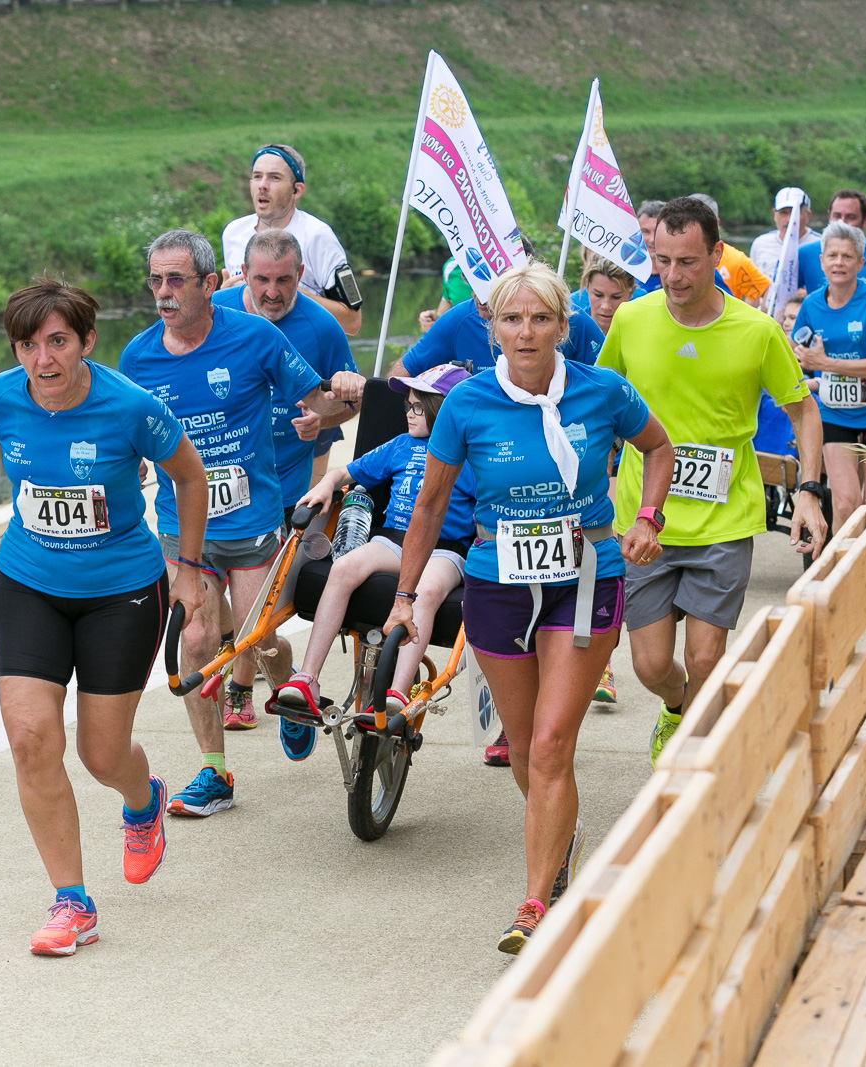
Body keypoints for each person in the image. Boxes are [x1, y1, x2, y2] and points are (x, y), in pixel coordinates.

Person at [381, 261, 673, 955]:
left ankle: (536, 901)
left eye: (541, 318)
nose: (526, 332)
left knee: (549, 744)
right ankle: (560, 834)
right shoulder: (467, 403)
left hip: (586, 578)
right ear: (493, 330)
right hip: (498, 582)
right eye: (512, 319)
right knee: (522, 748)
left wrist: (648, 517)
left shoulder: (603, 390)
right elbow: (429, 506)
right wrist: (404, 597)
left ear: (563, 326)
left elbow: (659, 447)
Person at [0, 280, 207, 956]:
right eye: (28, 345)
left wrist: (189, 568)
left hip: (121, 590)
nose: (42, 360)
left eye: (57, 342)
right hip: (29, 583)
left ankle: (142, 799)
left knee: (101, 754)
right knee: (30, 740)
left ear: (86, 342)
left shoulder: (130, 406)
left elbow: (190, 477)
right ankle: (72, 901)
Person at [120, 229, 363, 815]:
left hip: (252, 520)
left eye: (176, 280)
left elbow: (319, 401)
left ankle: (287, 686)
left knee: (261, 637)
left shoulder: (256, 337)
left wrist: (351, 395)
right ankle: (214, 771)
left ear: (209, 284)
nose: (163, 292)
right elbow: (125, 433)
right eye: (155, 280)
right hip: (183, 527)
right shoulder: (137, 357)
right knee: (197, 637)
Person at [597, 197, 827, 765]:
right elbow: (600, 404)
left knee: (704, 658)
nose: (673, 275)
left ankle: (693, 765)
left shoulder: (757, 331)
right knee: (651, 665)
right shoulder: (631, 319)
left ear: (717, 254)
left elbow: (803, 411)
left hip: (724, 520)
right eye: (662, 261)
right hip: (644, 521)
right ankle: (678, 708)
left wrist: (808, 492)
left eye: (687, 262)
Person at [274, 364, 479, 759]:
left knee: (428, 590)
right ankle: (307, 679)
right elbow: (344, 473)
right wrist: (325, 484)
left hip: (445, 548)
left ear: (444, 413)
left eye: (417, 407)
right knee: (343, 569)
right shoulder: (401, 445)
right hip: (394, 540)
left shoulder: (469, 458)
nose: (408, 413)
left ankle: (398, 694)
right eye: (407, 405)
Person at [211, 229, 358, 522]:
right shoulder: (213, 311)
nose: (272, 292)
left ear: (300, 274)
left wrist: (322, 419)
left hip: (286, 488)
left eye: (283, 280)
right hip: (217, 484)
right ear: (244, 273)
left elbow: (355, 402)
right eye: (261, 279)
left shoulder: (323, 327)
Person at [791, 221, 866, 532]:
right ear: (822, 261)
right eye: (832, 255)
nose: (838, 263)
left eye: (847, 256)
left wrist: (826, 363)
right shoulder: (811, 305)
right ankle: (844, 561)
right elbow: (795, 351)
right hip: (836, 414)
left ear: (860, 263)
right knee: (844, 503)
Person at [220, 144, 364, 336]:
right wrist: (225, 298)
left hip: (302, 349)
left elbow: (353, 322)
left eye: (274, 178)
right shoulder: (233, 233)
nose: (263, 185)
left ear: (297, 190)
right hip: (249, 349)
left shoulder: (318, 236)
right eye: (257, 176)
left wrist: (293, 294)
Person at [387, 289, 606, 380]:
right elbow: (401, 375)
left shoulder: (571, 318)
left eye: (540, 319)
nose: (479, 294)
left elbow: (613, 382)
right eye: (473, 281)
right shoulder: (459, 320)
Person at [798, 189, 866, 292]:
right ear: (829, 216)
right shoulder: (805, 254)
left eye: (851, 217)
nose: (842, 222)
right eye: (837, 216)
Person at [689, 193, 771, 307]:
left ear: (716, 223)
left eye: (701, 223)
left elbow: (765, 289)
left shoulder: (736, 260)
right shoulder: (672, 256)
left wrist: (746, 315)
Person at [749, 187, 821, 282]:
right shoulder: (760, 244)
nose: (789, 219)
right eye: (783, 213)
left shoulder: (821, 245)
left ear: (807, 215)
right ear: (774, 215)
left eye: (795, 213)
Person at [570, 253, 643, 334]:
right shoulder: (570, 330)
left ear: (631, 292)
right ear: (587, 287)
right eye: (598, 295)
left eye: (616, 297)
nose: (606, 307)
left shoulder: (642, 331)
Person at [419, 257, 475, 332]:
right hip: (462, 335)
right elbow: (443, 311)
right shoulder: (451, 267)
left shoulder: (491, 263)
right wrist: (431, 318)